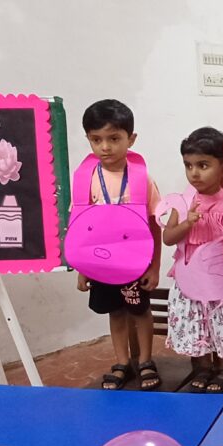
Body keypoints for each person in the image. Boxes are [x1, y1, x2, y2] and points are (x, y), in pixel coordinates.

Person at [76, 99, 163, 391]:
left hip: (135, 263)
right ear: (88, 139)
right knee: (115, 311)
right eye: (96, 139)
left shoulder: (142, 179)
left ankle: (146, 361)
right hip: (101, 263)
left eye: (114, 138)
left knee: (139, 311)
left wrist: (154, 266)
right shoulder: (86, 180)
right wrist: (83, 268)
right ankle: (122, 362)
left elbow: (154, 225)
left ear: (131, 139)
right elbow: (82, 228)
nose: (105, 147)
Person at [162, 126, 223, 393]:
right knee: (197, 322)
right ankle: (202, 368)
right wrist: (187, 224)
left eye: (203, 165)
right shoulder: (183, 203)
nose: (194, 173)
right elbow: (168, 238)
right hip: (190, 278)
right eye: (188, 165)